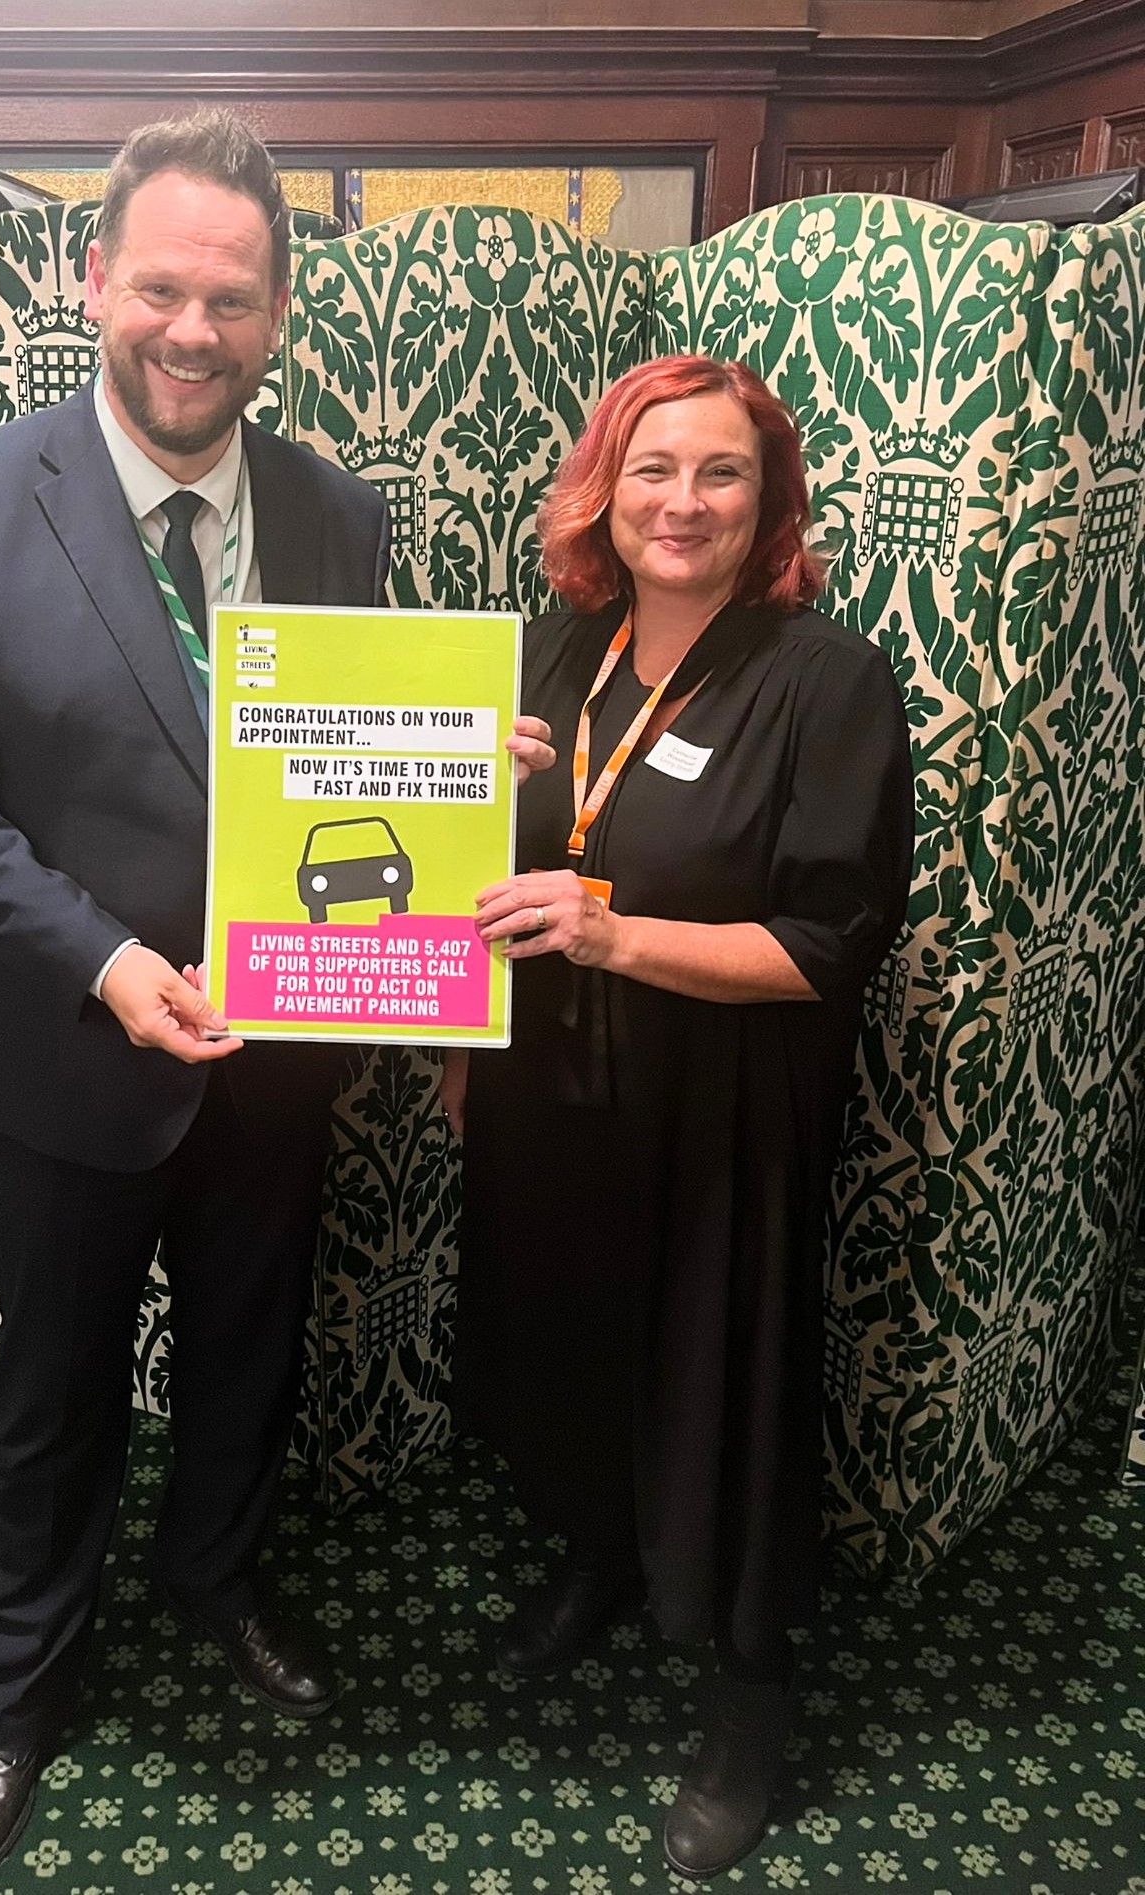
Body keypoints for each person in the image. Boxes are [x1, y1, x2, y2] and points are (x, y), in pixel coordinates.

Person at [0, 110, 551, 1888]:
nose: (194, 328)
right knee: (57, 1388)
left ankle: (216, 1577)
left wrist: (459, 762)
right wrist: (110, 959)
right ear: (91, 280)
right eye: (161, 286)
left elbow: (347, 766)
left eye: (231, 298)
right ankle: (19, 1693)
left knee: (252, 1358)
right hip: (74, 1060)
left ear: (280, 315)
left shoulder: (339, 509)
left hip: (280, 1061)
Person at [442, 355, 913, 1881]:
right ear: (604, 486)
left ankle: (751, 1700)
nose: (683, 503)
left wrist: (608, 932)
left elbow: (826, 946)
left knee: (730, 1395)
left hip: (720, 1113)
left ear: (769, 500)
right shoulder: (551, 652)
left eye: (721, 474)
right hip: (547, 1098)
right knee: (568, 1349)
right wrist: (466, 787)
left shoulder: (824, 680)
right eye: (654, 470)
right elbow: (473, 880)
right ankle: (595, 1556)